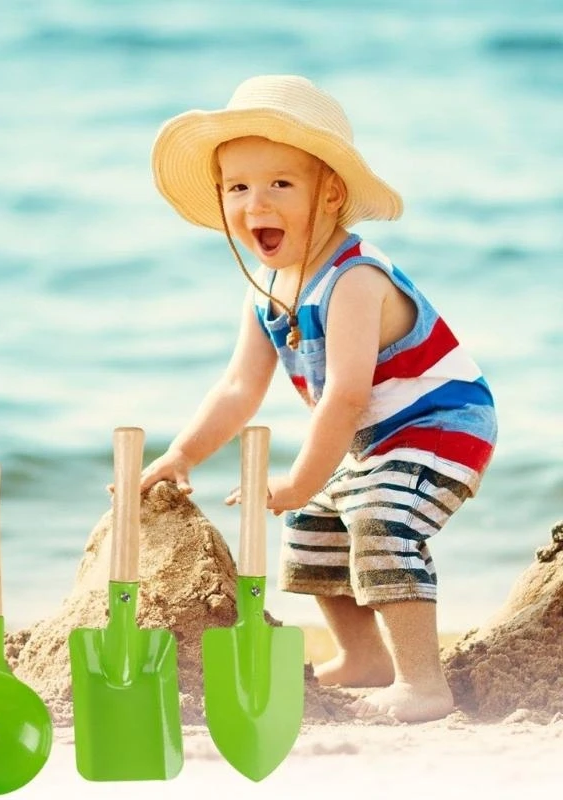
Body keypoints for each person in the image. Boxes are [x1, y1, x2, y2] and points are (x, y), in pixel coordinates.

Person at [139, 75, 497, 723]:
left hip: (441, 425)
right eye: (237, 187)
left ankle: (423, 682)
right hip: (377, 437)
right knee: (312, 527)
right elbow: (240, 386)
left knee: (382, 519)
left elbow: (346, 395)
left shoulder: (354, 277)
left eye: (280, 183)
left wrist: (301, 479)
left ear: (329, 193)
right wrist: (182, 454)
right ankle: (364, 658)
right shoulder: (266, 288)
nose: (256, 202)